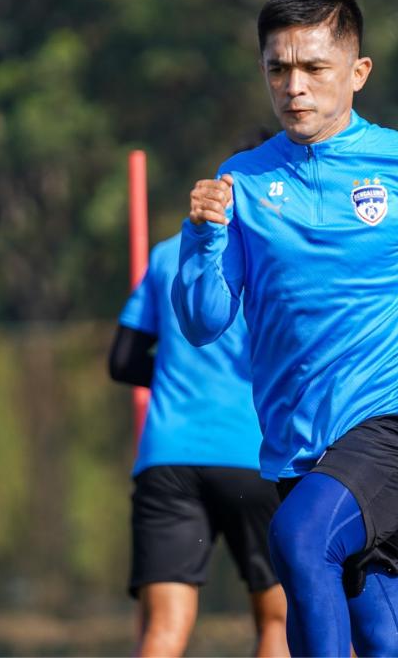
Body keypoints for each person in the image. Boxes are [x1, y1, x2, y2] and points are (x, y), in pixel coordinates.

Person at [172, 0, 398, 657]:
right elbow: (203, 321)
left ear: (358, 73)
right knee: (386, 638)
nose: (294, 87)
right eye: (278, 69)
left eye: (313, 68)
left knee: (301, 542)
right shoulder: (242, 180)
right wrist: (204, 237)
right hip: (298, 448)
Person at [109, 226, 287, 657]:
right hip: (255, 452)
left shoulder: (169, 253)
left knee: (165, 627)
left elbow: (123, 360)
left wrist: (178, 381)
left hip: (169, 455)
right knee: (278, 623)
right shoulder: (282, 248)